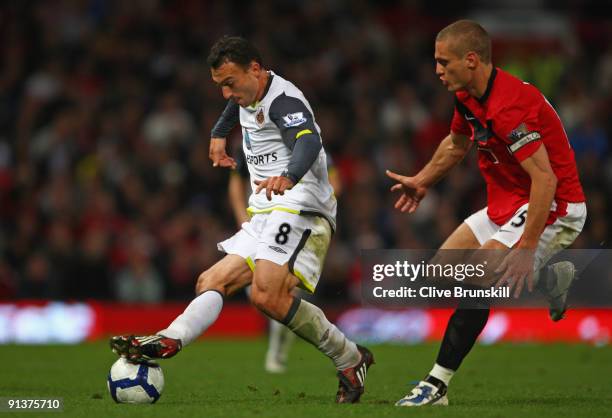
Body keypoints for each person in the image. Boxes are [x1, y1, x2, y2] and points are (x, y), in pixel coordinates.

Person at [110, 36, 373, 403]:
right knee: (212, 280)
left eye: (229, 83)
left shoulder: (285, 101)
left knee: (266, 293)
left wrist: (290, 176)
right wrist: (219, 134)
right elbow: (238, 106)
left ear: (255, 68)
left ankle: (349, 356)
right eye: (219, 86)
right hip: (266, 208)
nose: (225, 93)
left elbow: (308, 140)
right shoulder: (251, 92)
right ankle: (170, 338)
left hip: (300, 205)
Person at [386, 20, 586, 406]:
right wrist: (424, 179)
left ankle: (437, 383)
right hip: (507, 202)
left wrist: (526, 247)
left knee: (477, 276)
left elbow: (545, 179)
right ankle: (551, 278)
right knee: (440, 272)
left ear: (472, 60)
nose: (437, 70)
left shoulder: (508, 107)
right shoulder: (468, 95)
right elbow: (457, 143)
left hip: (554, 206)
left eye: (444, 62)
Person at [229, 148, 342, 373]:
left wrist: (313, 207)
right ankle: (283, 344)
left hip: (294, 223)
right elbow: (235, 184)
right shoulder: (254, 144)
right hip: (260, 222)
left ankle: (277, 353)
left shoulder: (307, 143)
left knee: (281, 291)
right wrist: (243, 220)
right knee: (262, 295)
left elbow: (335, 181)